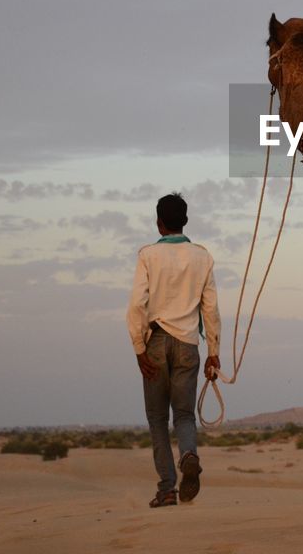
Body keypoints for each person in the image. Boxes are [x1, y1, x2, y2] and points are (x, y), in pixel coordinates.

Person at [126, 193, 221, 508]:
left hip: (155, 342)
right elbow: (211, 309)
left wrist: (139, 348)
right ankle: (190, 455)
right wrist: (214, 351)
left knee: (156, 419)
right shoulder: (202, 256)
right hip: (188, 344)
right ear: (185, 220)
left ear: (159, 222)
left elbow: (137, 305)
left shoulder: (148, 255)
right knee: (184, 414)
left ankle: (167, 489)